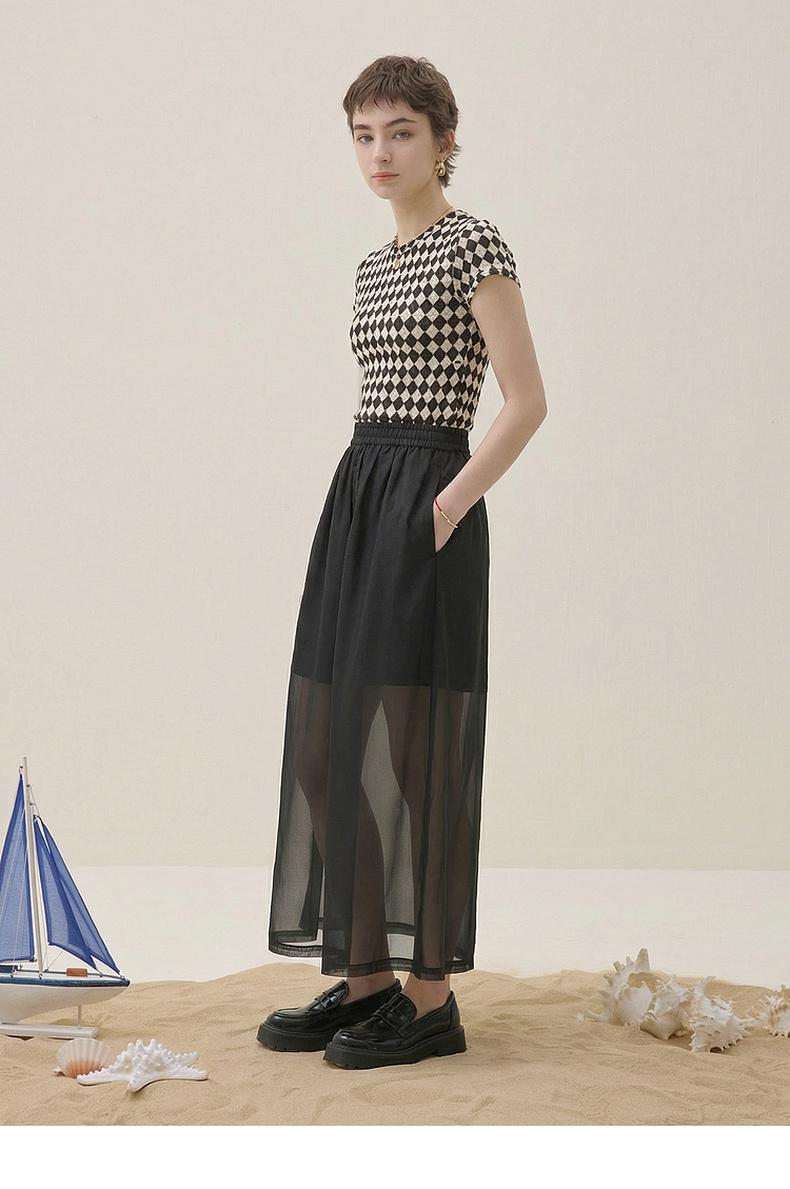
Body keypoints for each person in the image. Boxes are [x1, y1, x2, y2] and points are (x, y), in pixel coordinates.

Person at [258, 55, 547, 1069]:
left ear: (443, 139)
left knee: (419, 754)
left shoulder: (474, 245)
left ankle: (431, 997)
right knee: (326, 741)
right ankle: (367, 974)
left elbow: (526, 401)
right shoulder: (373, 265)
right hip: (358, 493)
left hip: (428, 493)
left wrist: (447, 507)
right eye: (363, 135)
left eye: (401, 133)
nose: (379, 153)